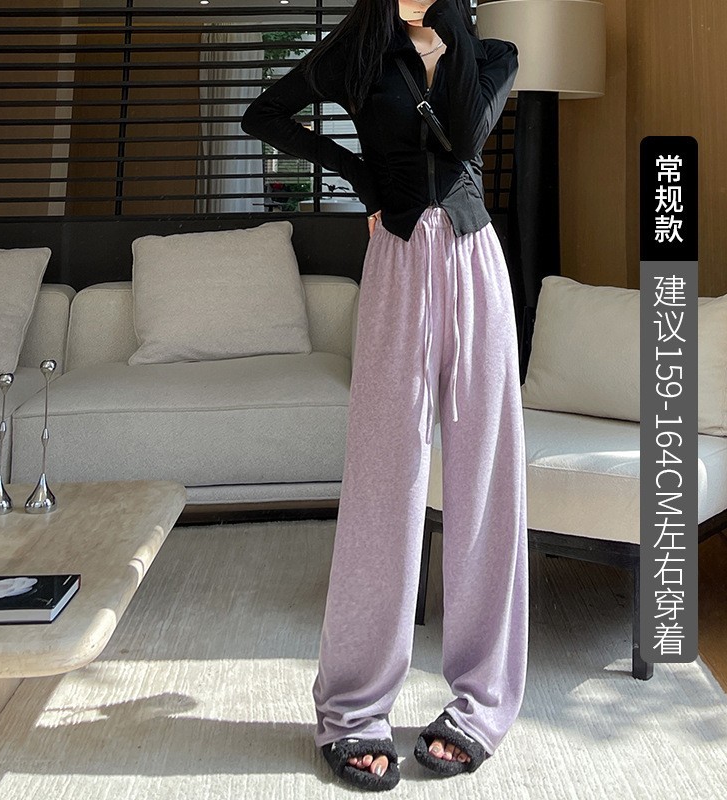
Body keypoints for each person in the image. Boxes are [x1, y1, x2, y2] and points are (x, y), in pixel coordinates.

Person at [240, 0, 528, 790]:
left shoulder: (493, 57)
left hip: (475, 265)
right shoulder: (358, 54)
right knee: (383, 486)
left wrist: (449, 34)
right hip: (398, 265)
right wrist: (361, 176)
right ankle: (354, 709)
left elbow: (463, 138)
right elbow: (263, 115)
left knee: (485, 483)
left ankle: (480, 702)